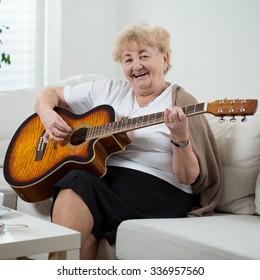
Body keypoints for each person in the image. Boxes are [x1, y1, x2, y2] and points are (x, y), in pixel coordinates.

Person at [35, 23, 222, 259]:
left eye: (144, 55)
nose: (136, 65)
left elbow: (188, 178)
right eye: (128, 59)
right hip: (109, 178)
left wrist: (180, 136)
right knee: (77, 196)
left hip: (161, 189)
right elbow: (49, 94)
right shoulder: (109, 90)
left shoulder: (180, 101)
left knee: (76, 183)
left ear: (164, 59)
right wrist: (47, 113)